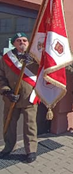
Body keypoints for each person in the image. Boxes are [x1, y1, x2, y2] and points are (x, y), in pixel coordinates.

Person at [0, 32, 38, 163]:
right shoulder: (6, 58)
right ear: (14, 43)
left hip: (29, 98)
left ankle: (31, 150)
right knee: (9, 124)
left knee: (30, 125)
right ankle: (9, 147)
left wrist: (33, 62)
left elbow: (44, 72)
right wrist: (6, 92)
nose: (22, 43)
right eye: (19, 41)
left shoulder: (35, 57)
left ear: (28, 43)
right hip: (12, 99)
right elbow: (1, 78)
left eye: (24, 40)